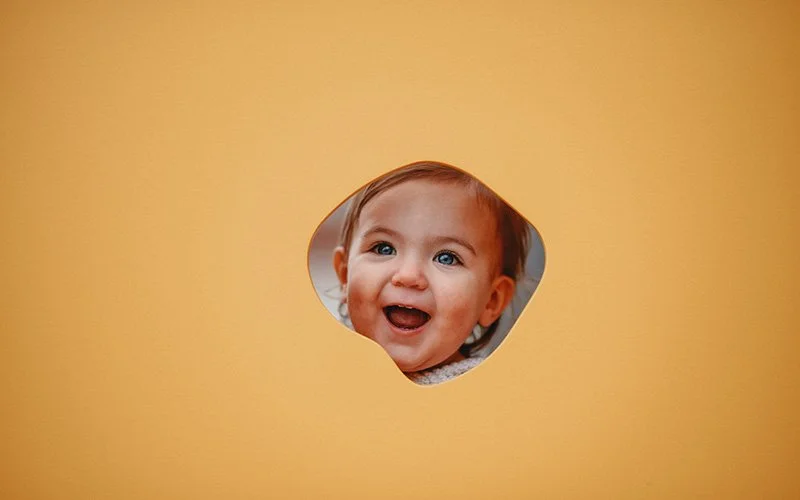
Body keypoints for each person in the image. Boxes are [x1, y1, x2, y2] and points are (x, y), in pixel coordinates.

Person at [332, 161, 530, 385]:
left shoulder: (483, 391)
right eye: (384, 248)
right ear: (345, 275)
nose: (408, 276)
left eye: (447, 258)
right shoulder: (321, 366)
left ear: (491, 301)